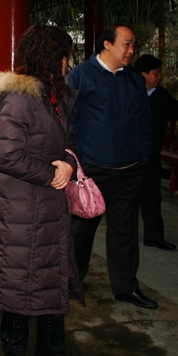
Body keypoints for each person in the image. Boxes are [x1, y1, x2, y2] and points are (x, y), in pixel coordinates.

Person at [0, 25, 84, 356]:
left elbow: (70, 137)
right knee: (18, 281)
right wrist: (50, 174)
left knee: (53, 278)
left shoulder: (57, 94)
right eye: (65, 54)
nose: (69, 61)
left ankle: (52, 350)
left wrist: (68, 161)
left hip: (53, 205)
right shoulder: (19, 97)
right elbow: (7, 155)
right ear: (51, 57)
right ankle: (14, 353)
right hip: (21, 208)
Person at [67, 25, 157, 309]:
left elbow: (144, 119)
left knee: (125, 230)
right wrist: (76, 162)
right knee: (82, 229)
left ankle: (126, 286)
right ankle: (71, 280)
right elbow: (71, 121)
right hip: (93, 169)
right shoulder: (81, 75)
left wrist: (143, 156)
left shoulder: (132, 78)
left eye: (133, 45)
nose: (131, 51)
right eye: (126, 45)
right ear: (107, 44)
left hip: (130, 168)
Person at [134, 55, 178, 251]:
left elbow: (175, 111)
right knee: (127, 198)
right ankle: (124, 236)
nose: (159, 77)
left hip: (151, 153)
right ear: (143, 75)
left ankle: (154, 236)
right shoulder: (128, 93)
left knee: (152, 196)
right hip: (129, 155)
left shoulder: (159, 94)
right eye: (155, 73)